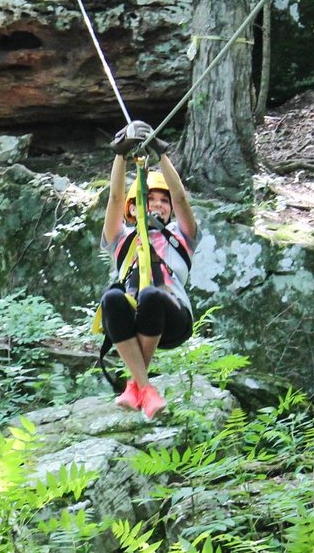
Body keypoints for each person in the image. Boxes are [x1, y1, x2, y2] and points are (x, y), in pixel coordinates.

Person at [100, 121, 198, 420]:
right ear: (136, 206)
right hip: (133, 319)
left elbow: (181, 198)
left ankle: (135, 384)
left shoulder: (182, 238)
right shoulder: (122, 240)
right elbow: (115, 198)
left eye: (162, 201)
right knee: (112, 298)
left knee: (152, 295)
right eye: (149, 199)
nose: (157, 204)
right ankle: (144, 388)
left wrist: (161, 154)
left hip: (171, 317)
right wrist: (120, 155)